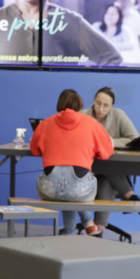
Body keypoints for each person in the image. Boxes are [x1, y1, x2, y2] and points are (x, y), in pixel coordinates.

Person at [29, 89, 114, 236]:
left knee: (68, 188)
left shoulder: (45, 124)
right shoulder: (92, 124)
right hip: (80, 190)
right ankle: (87, 222)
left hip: (48, 190)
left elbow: (35, 150)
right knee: (74, 189)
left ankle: (70, 231)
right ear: (80, 105)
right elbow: (106, 153)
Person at [81, 87, 140, 231]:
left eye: (106, 105)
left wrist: (111, 142)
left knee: (106, 180)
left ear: (112, 106)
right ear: (94, 101)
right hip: (87, 169)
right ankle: (129, 194)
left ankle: (98, 230)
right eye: (98, 103)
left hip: (110, 169)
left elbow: (135, 138)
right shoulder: (82, 116)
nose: (100, 108)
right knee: (104, 168)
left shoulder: (118, 115)